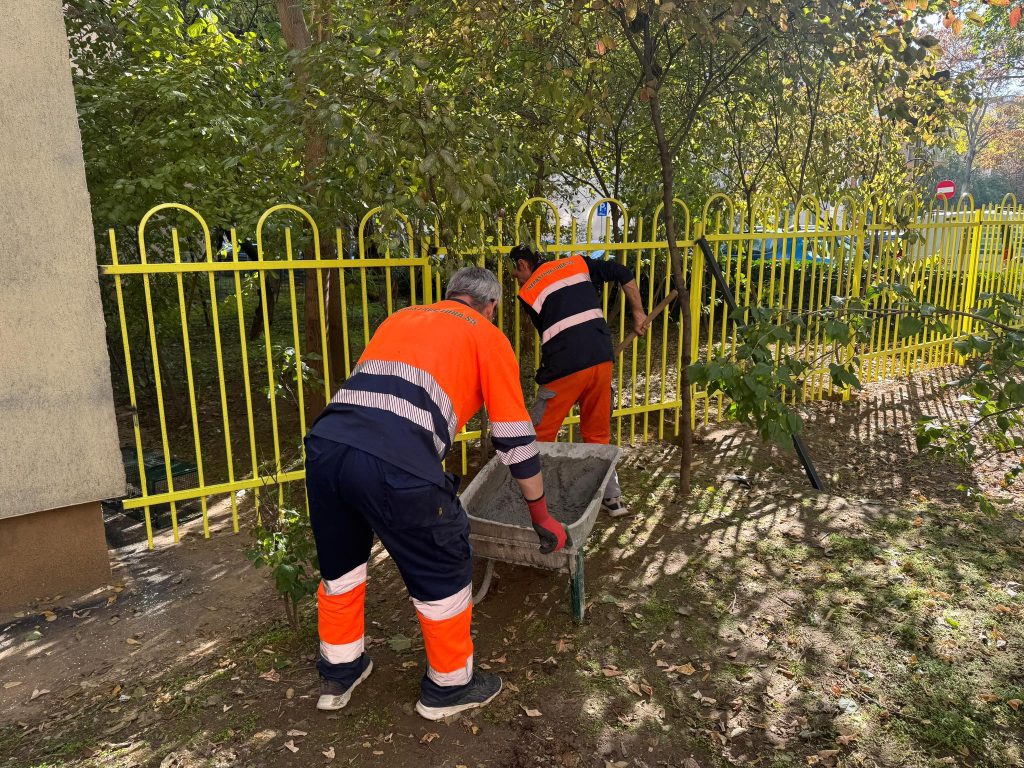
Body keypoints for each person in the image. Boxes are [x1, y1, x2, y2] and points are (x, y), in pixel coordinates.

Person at [303, 266, 570, 721]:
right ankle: (449, 687)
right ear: (491, 306)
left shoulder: (401, 317)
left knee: (341, 564)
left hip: (328, 446)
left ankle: (340, 671)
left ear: (449, 295)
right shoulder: (487, 336)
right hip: (396, 459)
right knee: (443, 559)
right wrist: (541, 515)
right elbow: (513, 436)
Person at [509, 244, 649, 517]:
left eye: (515, 270)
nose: (515, 276)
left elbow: (551, 337)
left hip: (566, 367)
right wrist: (639, 313)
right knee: (598, 434)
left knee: (540, 434)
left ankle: (532, 501)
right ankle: (612, 499)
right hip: (601, 359)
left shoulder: (528, 292)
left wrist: (546, 375)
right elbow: (622, 272)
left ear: (524, 265)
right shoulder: (576, 263)